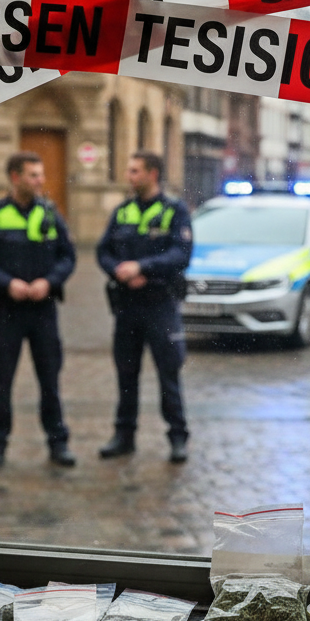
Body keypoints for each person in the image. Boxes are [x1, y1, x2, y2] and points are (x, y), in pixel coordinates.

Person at [0, 152, 77, 471]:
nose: (40, 181)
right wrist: (7, 283)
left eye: (41, 174)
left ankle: (58, 443)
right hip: (7, 311)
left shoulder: (50, 213)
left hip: (43, 310)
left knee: (50, 381)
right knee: (1, 382)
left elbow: (68, 257)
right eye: (33, 175)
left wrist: (50, 281)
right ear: (15, 177)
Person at [96, 151, 193, 463]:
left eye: (135, 171)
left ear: (153, 174)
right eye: (129, 170)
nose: (129, 176)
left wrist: (142, 268)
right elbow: (103, 251)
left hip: (160, 304)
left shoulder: (174, 210)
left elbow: (181, 254)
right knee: (126, 374)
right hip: (127, 306)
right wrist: (119, 271)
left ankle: (177, 437)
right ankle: (124, 436)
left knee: (168, 373)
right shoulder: (123, 211)